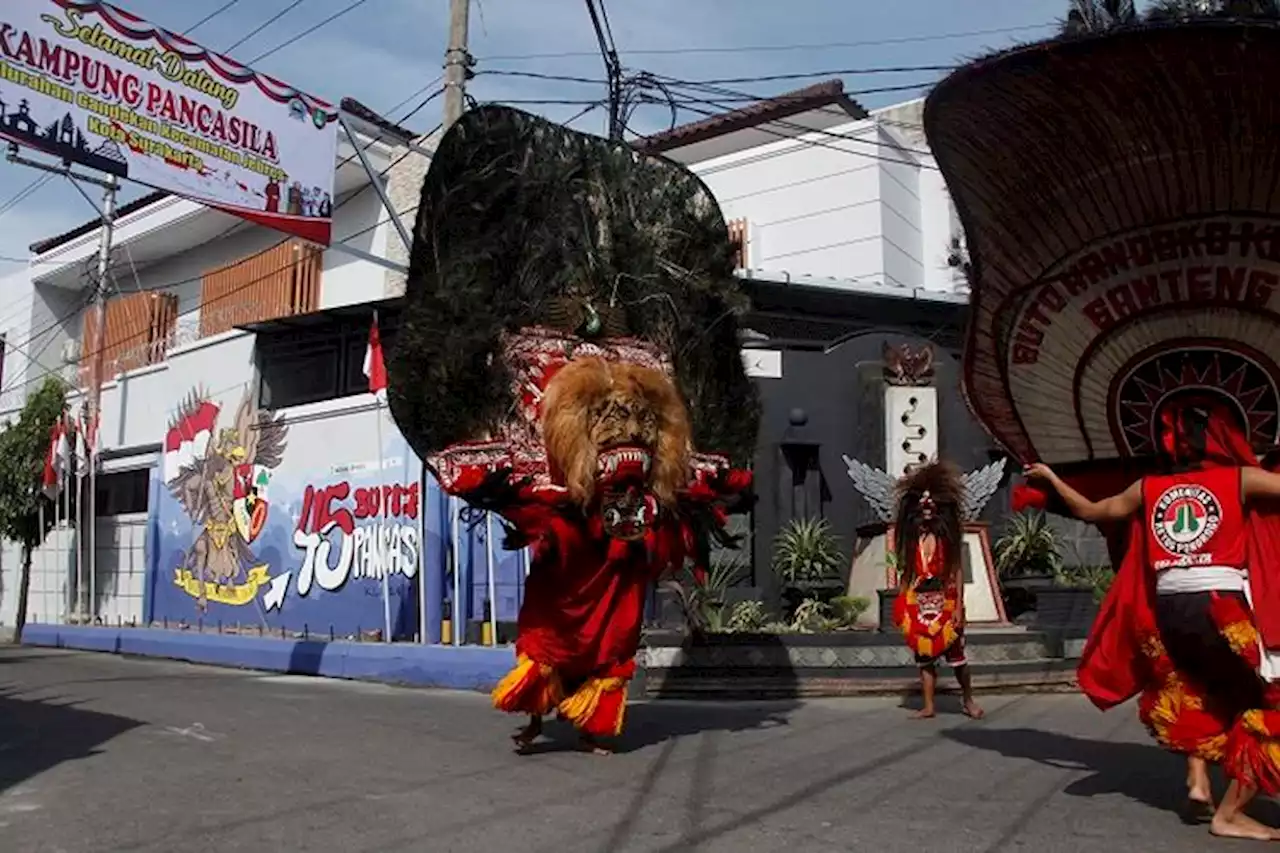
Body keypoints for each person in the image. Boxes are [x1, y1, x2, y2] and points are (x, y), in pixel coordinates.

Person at [1026, 400, 1280, 841]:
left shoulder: (1148, 488)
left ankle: (1199, 781)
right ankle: (1231, 813)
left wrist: (1051, 478)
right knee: (1271, 707)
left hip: (1169, 613)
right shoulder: (1238, 479)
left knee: (1198, 689)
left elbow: (1091, 511)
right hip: (1221, 609)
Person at [892, 461, 984, 720]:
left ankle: (968, 701)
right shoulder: (912, 541)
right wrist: (901, 603)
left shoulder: (948, 539)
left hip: (945, 601)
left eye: (932, 507)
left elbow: (957, 572)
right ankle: (929, 706)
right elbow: (907, 573)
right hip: (920, 605)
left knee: (958, 659)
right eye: (924, 508)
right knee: (924, 658)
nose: (928, 512)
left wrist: (958, 607)